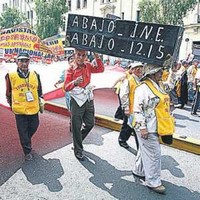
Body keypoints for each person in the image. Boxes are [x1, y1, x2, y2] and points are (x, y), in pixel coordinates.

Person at [132, 64, 175, 194]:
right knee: (154, 154)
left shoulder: (159, 85)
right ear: (151, 73)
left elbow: (170, 86)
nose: (162, 73)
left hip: (155, 125)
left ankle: (139, 171)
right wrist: (143, 128)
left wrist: (173, 72)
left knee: (145, 149)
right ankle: (153, 182)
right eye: (159, 71)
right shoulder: (143, 88)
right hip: (146, 127)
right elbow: (137, 110)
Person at [63, 48, 105, 161]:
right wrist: (74, 82)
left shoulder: (88, 65)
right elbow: (65, 87)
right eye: (79, 55)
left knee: (90, 123)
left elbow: (101, 69)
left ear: (86, 56)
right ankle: (78, 150)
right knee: (76, 126)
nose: (81, 58)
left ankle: (77, 141)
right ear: (75, 55)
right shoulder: (70, 69)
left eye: (83, 55)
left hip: (88, 98)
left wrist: (97, 56)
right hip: (76, 100)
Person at [5, 52, 43, 161]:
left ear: (29, 62)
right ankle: (27, 151)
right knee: (22, 131)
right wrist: (11, 104)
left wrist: (41, 99)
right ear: (17, 62)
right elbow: (8, 92)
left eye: (26, 61)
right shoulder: (10, 75)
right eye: (21, 61)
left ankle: (25, 140)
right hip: (19, 109)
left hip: (33, 108)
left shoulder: (35, 74)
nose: (24, 63)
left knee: (34, 126)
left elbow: (39, 89)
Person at [118, 62, 144, 149]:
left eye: (141, 67)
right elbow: (123, 95)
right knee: (128, 125)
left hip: (139, 109)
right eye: (137, 67)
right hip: (130, 109)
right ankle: (122, 139)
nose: (139, 69)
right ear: (132, 70)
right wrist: (126, 107)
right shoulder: (128, 81)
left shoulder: (142, 80)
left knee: (131, 126)